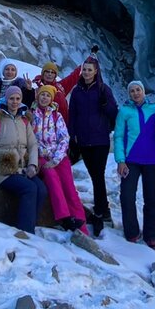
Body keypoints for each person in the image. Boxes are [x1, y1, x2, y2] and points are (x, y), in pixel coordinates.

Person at [0, 86, 46, 233]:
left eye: (17, 98)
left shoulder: (25, 120)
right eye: (11, 98)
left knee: (41, 189)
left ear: (21, 100)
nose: (14, 102)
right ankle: (26, 232)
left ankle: (27, 222)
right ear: (5, 100)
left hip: (22, 166)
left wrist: (33, 164)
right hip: (3, 167)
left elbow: (33, 144)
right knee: (30, 188)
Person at [67, 55, 118, 237]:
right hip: (83, 139)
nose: (87, 72)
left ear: (96, 71)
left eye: (90, 70)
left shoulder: (103, 90)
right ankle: (103, 210)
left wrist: (106, 104)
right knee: (95, 174)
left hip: (100, 140)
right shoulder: (77, 91)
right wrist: (72, 136)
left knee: (97, 174)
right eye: (85, 69)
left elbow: (114, 112)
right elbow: (72, 114)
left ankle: (100, 211)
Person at [31, 86, 88, 233]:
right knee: (52, 178)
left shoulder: (57, 116)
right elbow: (29, 138)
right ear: (38, 97)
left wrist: (56, 158)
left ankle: (82, 226)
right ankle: (65, 217)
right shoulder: (31, 115)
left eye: (47, 96)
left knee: (69, 187)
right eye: (42, 95)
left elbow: (64, 138)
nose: (44, 98)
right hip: (41, 155)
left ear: (51, 99)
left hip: (59, 156)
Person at [114, 80, 155, 247]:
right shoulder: (124, 111)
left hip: (152, 160)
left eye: (138, 90)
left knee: (151, 198)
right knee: (127, 196)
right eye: (132, 91)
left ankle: (151, 236)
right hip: (130, 161)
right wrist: (120, 160)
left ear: (143, 91)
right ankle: (132, 232)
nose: (135, 93)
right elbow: (118, 136)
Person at [31, 50, 97, 124]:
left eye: (52, 72)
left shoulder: (60, 86)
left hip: (65, 126)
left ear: (55, 75)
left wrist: (90, 59)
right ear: (43, 73)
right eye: (47, 71)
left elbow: (75, 75)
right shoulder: (38, 89)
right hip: (49, 129)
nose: (49, 74)